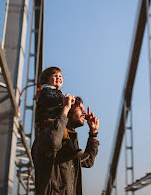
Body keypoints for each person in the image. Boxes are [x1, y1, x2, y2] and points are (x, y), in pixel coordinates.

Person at [32, 67, 100, 195]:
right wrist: (64, 109)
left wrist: (93, 133)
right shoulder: (46, 138)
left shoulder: (69, 145)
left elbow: (88, 161)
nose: (84, 113)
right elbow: (53, 141)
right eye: (80, 108)